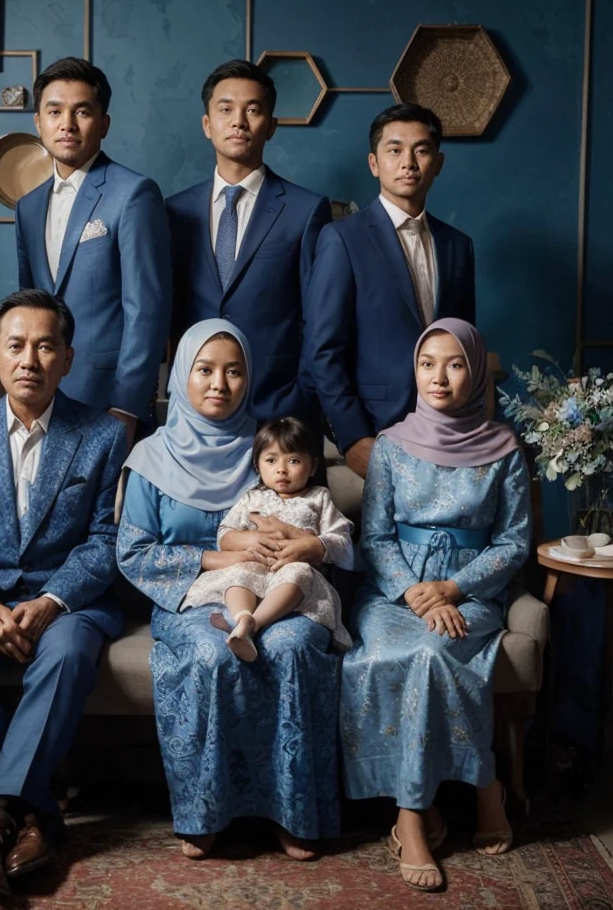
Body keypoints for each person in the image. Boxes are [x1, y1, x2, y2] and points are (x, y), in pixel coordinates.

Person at [0, 289, 127, 898]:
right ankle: (31, 814)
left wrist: (54, 600)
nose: (29, 360)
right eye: (15, 346)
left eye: (45, 346)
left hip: (70, 600)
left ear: (67, 358)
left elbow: (107, 539)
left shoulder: (103, 435)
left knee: (64, 656)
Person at [117, 320, 340, 862]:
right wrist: (221, 556)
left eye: (233, 371)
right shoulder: (151, 457)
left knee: (289, 648)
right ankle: (206, 810)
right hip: (193, 594)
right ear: (182, 379)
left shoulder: (272, 448)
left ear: (249, 379)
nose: (219, 383)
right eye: (205, 370)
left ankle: (292, 812)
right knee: (209, 654)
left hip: (277, 593)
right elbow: (133, 553)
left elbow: (316, 525)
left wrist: (302, 544)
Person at [340, 318, 529, 892]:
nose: (438, 377)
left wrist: (455, 589)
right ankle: (463, 796)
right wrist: (412, 591)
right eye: (427, 364)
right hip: (395, 594)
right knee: (383, 657)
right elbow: (373, 538)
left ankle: (420, 810)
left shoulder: (504, 450)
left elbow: (515, 541)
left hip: (470, 592)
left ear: (474, 372)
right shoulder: (392, 446)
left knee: (432, 652)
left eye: (454, 364)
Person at [304, 102, 476, 482]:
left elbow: (466, 347)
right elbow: (322, 350)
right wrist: (352, 437)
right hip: (375, 428)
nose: (408, 162)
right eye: (395, 150)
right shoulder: (341, 239)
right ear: (373, 163)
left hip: (448, 432)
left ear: (439, 163)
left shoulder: (457, 245)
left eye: (421, 150)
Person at [15, 57, 172, 446]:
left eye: (81, 111)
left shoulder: (133, 194)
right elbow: (28, 307)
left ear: (103, 123)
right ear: (39, 122)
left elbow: (147, 311)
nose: (67, 124)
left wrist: (128, 406)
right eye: (54, 112)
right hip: (41, 399)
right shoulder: (28, 206)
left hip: (109, 402)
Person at [167, 60, 331, 425]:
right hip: (193, 412)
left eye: (253, 110)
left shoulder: (306, 210)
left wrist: (300, 398)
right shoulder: (174, 212)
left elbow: (317, 320)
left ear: (271, 127)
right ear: (207, 125)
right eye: (225, 109)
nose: (239, 121)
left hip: (277, 411)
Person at [181, 416, 354, 660]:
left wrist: (313, 545)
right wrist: (248, 540)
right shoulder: (252, 498)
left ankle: (253, 623)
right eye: (271, 460)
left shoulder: (318, 498)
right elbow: (225, 535)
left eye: (294, 460)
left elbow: (342, 542)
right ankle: (241, 616)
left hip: (292, 578)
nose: (281, 469)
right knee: (238, 571)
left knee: (300, 573)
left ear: (313, 466)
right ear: (258, 465)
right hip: (255, 568)